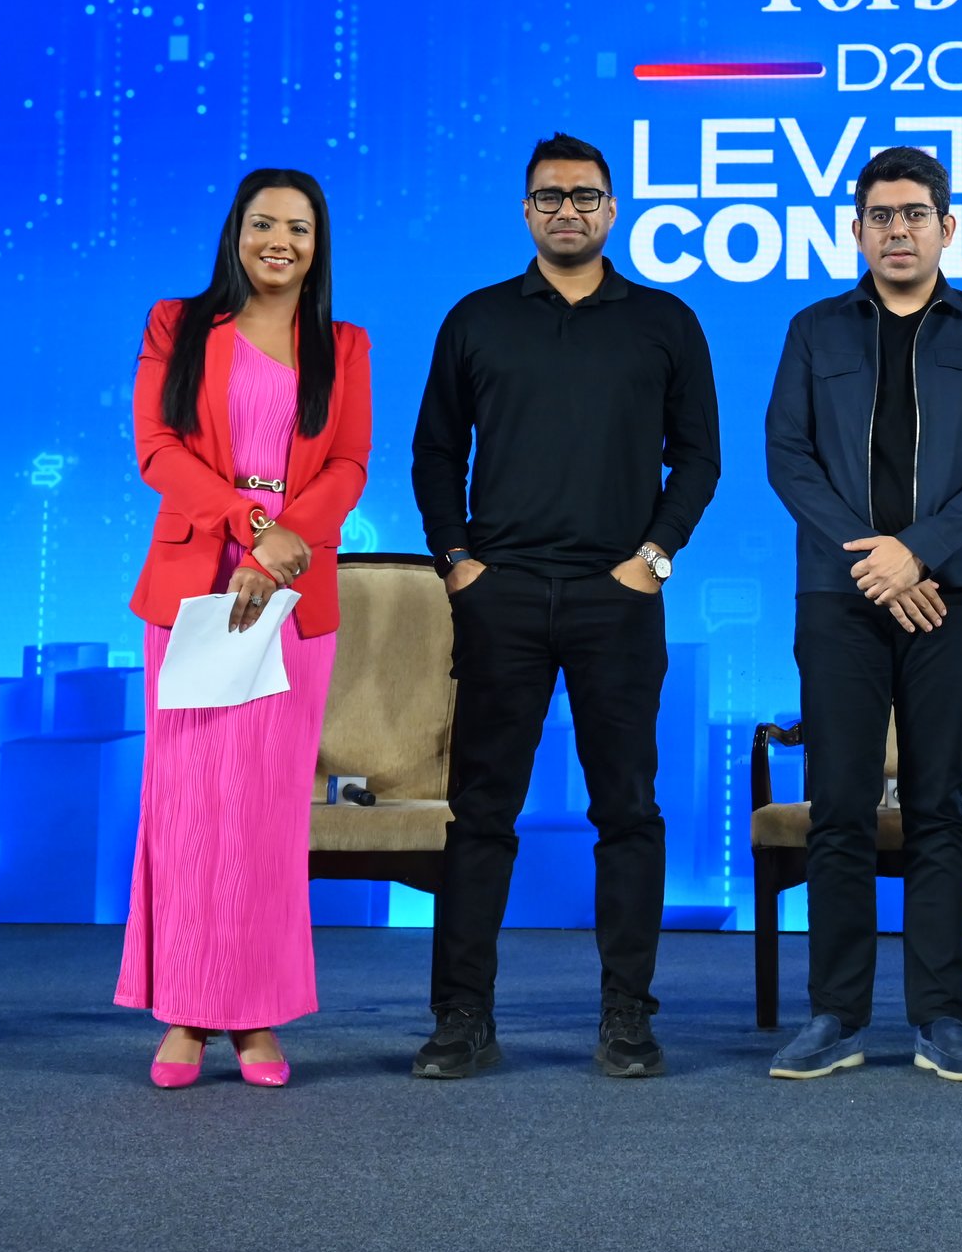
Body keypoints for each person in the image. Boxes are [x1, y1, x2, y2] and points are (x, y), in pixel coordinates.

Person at [409, 132, 721, 1080]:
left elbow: (699, 458)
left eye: (585, 196)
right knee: (480, 815)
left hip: (616, 599)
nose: (567, 211)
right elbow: (433, 455)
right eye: (548, 197)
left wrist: (652, 558)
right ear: (525, 211)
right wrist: (458, 560)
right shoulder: (477, 319)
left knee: (626, 810)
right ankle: (463, 1017)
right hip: (498, 596)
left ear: (613, 209)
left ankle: (627, 1013)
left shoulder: (664, 321)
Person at [761, 146, 962, 1083]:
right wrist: (875, 560)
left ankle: (941, 1019)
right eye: (880, 215)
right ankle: (834, 1016)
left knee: (936, 806)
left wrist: (916, 551)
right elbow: (788, 459)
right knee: (839, 804)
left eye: (915, 214)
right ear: (857, 229)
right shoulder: (813, 331)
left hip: (952, 595)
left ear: (947, 225)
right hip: (839, 596)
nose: (898, 230)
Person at [119, 167, 372, 1090]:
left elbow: (347, 464)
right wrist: (245, 527)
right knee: (187, 810)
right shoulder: (176, 325)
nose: (281, 240)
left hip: (292, 596)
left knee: (265, 817)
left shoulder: (345, 344)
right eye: (264, 223)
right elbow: (157, 447)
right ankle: (184, 1013)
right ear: (235, 232)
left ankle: (256, 1017)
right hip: (198, 586)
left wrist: (285, 545)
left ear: (318, 244)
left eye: (299, 228)